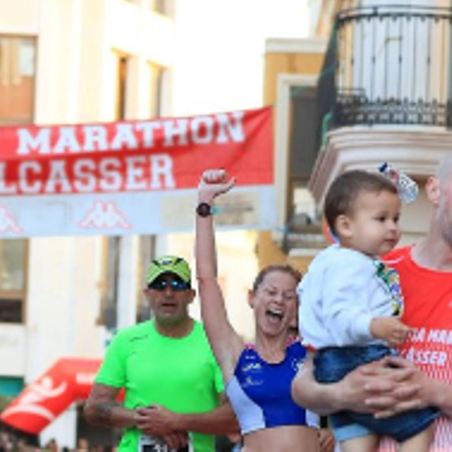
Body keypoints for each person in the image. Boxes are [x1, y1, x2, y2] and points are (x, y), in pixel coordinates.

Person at [292, 147, 452, 451]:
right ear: (434, 190)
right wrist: (340, 395)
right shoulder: (370, 270)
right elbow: (303, 383)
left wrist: (434, 392)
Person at [297, 169, 439, 451]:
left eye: (396, 219)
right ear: (346, 226)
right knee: (420, 426)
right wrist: (375, 326)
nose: (393, 228)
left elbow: (309, 303)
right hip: (358, 357)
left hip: (331, 363)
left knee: (358, 438)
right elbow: (339, 315)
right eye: (381, 219)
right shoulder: (351, 264)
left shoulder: (327, 262)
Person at [194, 168, 324, 452]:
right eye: (271, 292)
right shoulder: (234, 356)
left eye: (289, 296)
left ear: (298, 309)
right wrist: (204, 205)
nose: (279, 300)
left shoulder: (311, 354)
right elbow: (206, 279)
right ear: (252, 298)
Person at [83, 255, 238, 452]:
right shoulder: (126, 341)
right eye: (159, 285)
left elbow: (235, 415)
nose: (168, 293)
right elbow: (94, 408)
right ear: (147, 294)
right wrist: (145, 420)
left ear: (191, 295)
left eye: (177, 284)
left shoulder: (214, 342)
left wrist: (176, 422)